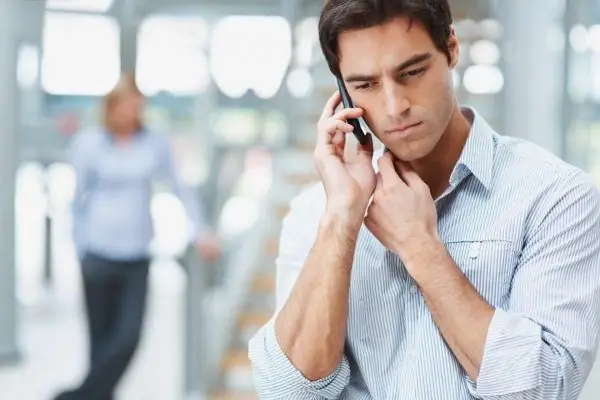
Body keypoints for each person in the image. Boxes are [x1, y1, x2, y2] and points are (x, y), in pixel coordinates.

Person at [248, 0, 600, 399]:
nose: (395, 107)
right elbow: (288, 392)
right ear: (343, 95)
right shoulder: (319, 211)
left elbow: (544, 389)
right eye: (365, 85)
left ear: (451, 48)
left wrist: (419, 246)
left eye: (412, 72)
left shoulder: (555, 197)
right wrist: (342, 219)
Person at [54, 73, 220, 400]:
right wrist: (79, 247)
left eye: (138, 105)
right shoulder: (90, 144)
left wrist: (199, 230)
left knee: (127, 338)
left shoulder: (154, 142)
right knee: (100, 341)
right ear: (112, 107)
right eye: (128, 104)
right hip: (98, 255)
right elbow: (76, 201)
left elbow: (180, 188)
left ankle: (74, 397)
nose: (134, 111)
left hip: (136, 256)